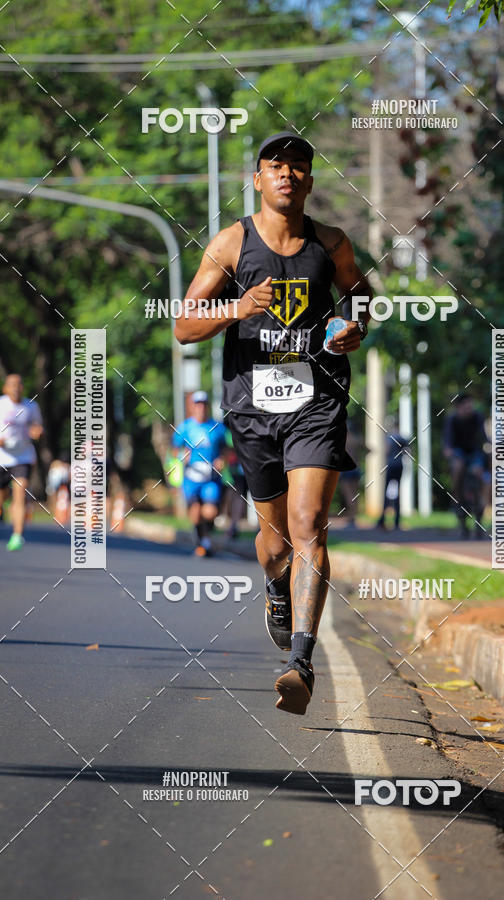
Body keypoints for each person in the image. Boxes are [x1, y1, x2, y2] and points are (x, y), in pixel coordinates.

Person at [175, 131, 372, 714]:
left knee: (310, 524)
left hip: (318, 401)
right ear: (258, 179)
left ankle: (301, 664)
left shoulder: (331, 242)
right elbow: (184, 325)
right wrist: (237, 308)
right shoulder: (232, 243)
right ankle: (276, 586)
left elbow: (361, 294)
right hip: (253, 408)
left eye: (299, 165)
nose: (288, 173)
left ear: (310, 180)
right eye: (276, 165)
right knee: (276, 542)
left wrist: (355, 327)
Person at [172, 390, 227, 557]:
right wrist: (182, 456)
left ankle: (206, 536)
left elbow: (225, 449)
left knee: (210, 512)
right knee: (195, 513)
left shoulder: (217, 427)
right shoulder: (185, 427)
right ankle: (202, 541)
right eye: (197, 405)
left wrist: (222, 459)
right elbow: (174, 449)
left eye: (203, 404)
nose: (201, 408)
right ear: (192, 407)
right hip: (191, 477)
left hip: (210, 477)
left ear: (207, 407)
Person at [0, 373, 44, 550]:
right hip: (2, 457)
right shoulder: (1, 405)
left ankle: (17, 536)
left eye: (19, 384)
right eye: (12, 384)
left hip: (23, 457)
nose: (16, 387)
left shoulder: (31, 406)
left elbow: (37, 427)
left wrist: (37, 432)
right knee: (2, 497)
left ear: (23, 387)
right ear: (5, 388)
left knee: (20, 491)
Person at [443, 393, 488, 537]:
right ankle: (456, 494)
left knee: (480, 473)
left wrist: (490, 446)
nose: (469, 408)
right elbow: (448, 443)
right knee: (458, 467)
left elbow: (484, 437)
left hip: (474, 452)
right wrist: (448, 451)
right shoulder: (452, 420)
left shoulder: (477, 417)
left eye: (471, 405)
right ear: (459, 407)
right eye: (466, 405)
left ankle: (479, 512)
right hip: (459, 453)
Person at [376, 432, 409, 531]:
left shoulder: (389, 438)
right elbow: (407, 451)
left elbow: (387, 450)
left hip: (390, 465)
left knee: (385, 492)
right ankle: (397, 520)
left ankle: (382, 519)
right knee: (397, 492)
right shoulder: (402, 438)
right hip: (399, 465)